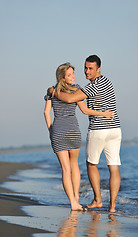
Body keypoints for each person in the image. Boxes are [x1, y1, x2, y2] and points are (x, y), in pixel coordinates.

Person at [47, 55, 122, 213]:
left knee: (91, 164)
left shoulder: (89, 87)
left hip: (99, 129)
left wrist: (53, 91)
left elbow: (70, 99)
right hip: (115, 129)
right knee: (114, 167)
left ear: (98, 69)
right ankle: (113, 207)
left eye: (90, 69)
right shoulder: (107, 81)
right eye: (85, 68)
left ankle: (97, 200)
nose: (86, 71)